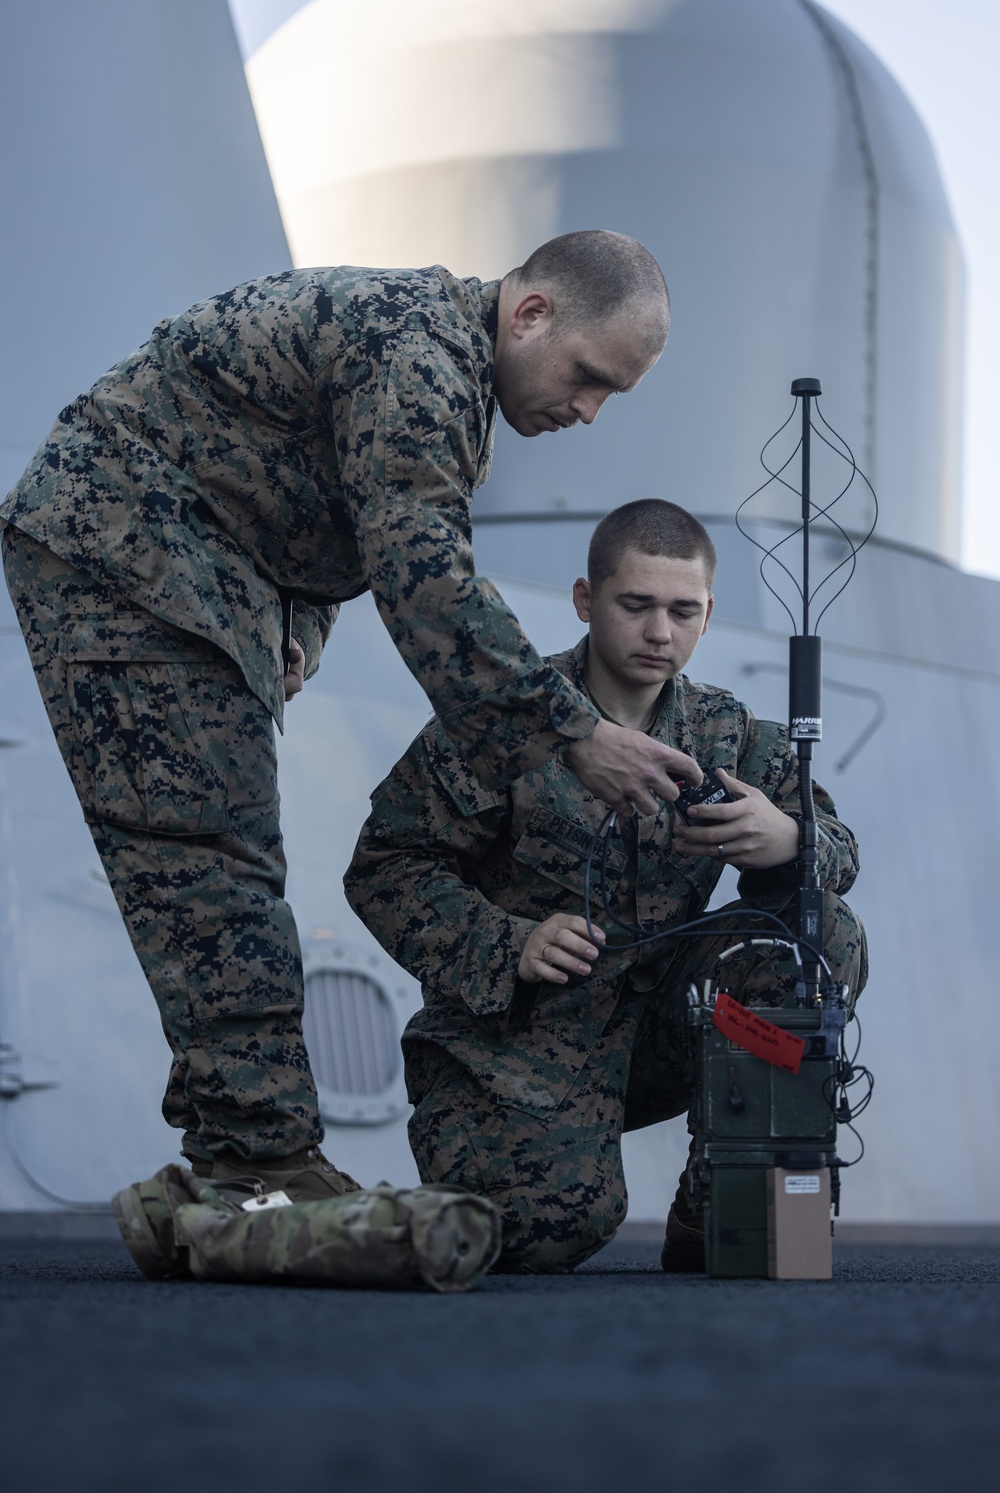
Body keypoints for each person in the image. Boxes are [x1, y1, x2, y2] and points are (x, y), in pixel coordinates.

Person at [1, 232, 702, 1203]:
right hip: (123, 548)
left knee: (221, 857)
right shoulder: (421, 352)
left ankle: (235, 1149)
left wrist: (295, 627)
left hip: (187, 564)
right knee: (210, 857)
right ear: (531, 311)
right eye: (588, 376)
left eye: (610, 395)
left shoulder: (448, 374)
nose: (587, 411)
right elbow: (425, 577)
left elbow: (326, 521)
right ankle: (262, 1162)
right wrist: (574, 733)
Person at [344, 499, 867, 1273]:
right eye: (637, 605)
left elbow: (839, 850)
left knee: (820, 933)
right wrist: (508, 942)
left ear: (708, 614)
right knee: (541, 1233)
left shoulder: (726, 732)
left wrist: (789, 840)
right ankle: (531, 1160)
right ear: (587, 601)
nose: (661, 632)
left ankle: (723, 1188)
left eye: (683, 611)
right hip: (519, 1042)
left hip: (669, 1023)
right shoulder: (505, 724)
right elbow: (384, 866)